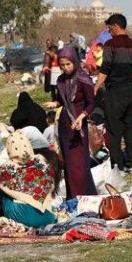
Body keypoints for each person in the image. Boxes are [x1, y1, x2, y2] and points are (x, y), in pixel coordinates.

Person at [94, 13, 132, 174]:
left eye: (109, 28)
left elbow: (105, 69)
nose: (109, 31)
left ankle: (118, 167)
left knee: (113, 130)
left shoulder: (110, 44)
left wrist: (96, 86)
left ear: (115, 26)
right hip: (130, 90)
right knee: (129, 128)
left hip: (114, 90)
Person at [45, 46, 97, 198]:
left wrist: (82, 117)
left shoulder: (83, 79)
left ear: (74, 61)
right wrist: (54, 104)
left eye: (68, 64)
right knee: (69, 164)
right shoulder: (60, 80)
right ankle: (73, 198)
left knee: (79, 165)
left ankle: (84, 196)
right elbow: (62, 101)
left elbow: (91, 103)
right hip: (65, 126)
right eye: (62, 65)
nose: (65, 68)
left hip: (79, 126)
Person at [0, 132, 57, 228]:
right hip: (47, 217)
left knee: (1, 188)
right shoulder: (41, 161)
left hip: (22, 217)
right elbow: (51, 186)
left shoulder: (7, 166)